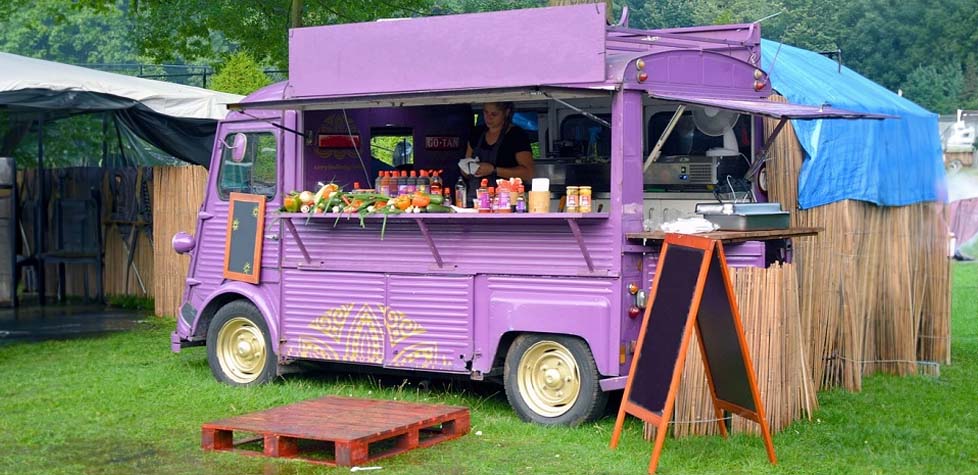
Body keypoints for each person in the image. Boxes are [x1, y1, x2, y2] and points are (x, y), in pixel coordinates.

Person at [461, 102, 534, 202]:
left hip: (505, 201)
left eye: (494, 114)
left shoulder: (516, 135)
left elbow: (528, 173)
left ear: (507, 112)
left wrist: (493, 170)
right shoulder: (476, 133)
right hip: (475, 200)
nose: (488, 117)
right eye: (486, 112)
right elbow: (465, 169)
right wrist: (469, 168)